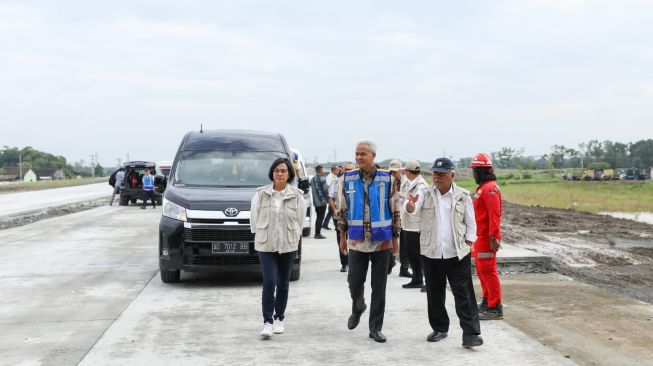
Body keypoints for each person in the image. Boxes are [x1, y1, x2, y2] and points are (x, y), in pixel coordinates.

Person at [405, 157, 483, 348]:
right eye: (435, 174)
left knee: (464, 294)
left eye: (442, 174)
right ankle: (440, 328)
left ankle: (471, 334)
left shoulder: (463, 196)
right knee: (434, 294)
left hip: (457, 253)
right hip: (431, 253)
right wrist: (410, 205)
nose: (437, 178)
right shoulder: (424, 193)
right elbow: (412, 211)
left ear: (452, 175)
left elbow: (471, 223)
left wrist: (469, 241)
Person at [338, 140, 400, 343]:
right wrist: (342, 237)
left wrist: (395, 240)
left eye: (363, 154)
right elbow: (343, 210)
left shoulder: (388, 179)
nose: (358, 158)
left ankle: (375, 328)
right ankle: (358, 306)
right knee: (354, 282)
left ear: (373, 155)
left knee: (379, 286)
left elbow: (395, 209)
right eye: (356, 154)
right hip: (357, 240)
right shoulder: (347, 178)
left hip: (382, 241)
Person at [250, 158, 306, 339]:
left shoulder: (297, 195)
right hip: (265, 245)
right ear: (271, 173)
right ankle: (267, 322)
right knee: (269, 281)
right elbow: (253, 220)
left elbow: (300, 220)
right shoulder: (261, 194)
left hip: (288, 245)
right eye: (276, 170)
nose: (279, 174)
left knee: (283, 283)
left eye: (283, 170)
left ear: (289, 173)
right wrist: (261, 235)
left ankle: (279, 318)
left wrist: (293, 238)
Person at [470, 153, 504, 320]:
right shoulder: (483, 188)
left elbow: (494, 215)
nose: (474, 174)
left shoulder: (490, 189)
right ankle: (487, 300)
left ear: (483, 171)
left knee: (489, 271)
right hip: (480, 238)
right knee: (482, 271)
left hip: (487, 238)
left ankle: (495, 307)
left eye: (475, 171)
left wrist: (494, 237)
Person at [400, 160, 428, 290]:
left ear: (408, 172)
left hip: (415, 226)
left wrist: (409, 204)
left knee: (418, 255)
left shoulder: (421, 185)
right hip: (409, 225)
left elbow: (416, 205)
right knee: (413, 254)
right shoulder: (414, 183)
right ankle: (417, 279)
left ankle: (424, 280)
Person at [330, 162, 354, 272]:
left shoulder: (357, 182)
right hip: (340, 215)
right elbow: (330, 198)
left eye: (351, 169)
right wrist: (334, 210)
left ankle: (353, 262)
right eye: (347, 169)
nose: (348, 171)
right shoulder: (336, 182)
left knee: (354, 239)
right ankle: (344, 263)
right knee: (341, 237)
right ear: (342, 170)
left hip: (354, 216)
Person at [389, 159, 411, 277]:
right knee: (390, 242)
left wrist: (401, 195)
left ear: (401, 171)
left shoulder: (407, 182)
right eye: (391, 172)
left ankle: (404, 268)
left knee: (404, 244)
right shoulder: (387, 181)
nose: (393, 174)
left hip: (403, 216)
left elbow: (413, 197)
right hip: (390, 216)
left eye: (395, 172)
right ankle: (390, 262)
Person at [310, 165, 328, 239]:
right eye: (323, 170)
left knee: (318, 217)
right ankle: (318, 234)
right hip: (322, 202)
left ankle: (317, 233)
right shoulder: (322, 179)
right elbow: (326, 190)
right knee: (320, 218)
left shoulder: (312, 179)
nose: (323, 171)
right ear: (321, 171)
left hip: (315, 202)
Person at [322, 165, 340, 230]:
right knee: (332, 211)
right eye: (337, 170)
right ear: (333, 170)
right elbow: (329, 187)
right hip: (331, 197)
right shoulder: (329, 177)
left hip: (335, 197)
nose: (339, 171)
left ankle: (325, 224)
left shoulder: (335, 176)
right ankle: (335, 225)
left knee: (331, 211)